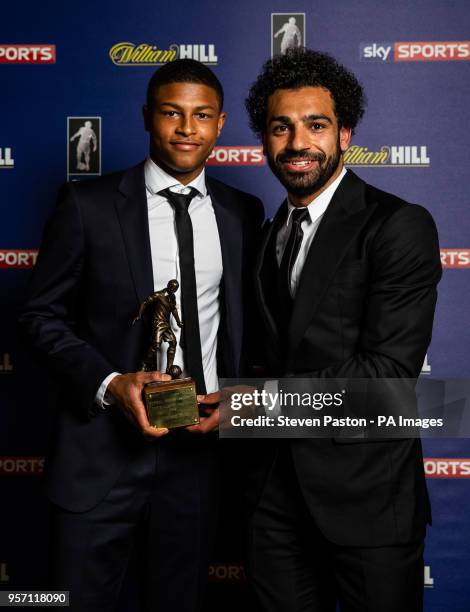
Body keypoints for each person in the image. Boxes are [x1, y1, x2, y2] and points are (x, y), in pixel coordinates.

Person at [18, 58, 263, 611]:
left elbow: (249, 326)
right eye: (171, 113)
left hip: (198, 460)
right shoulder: (88, 205)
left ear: (220, 124)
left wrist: (238, 400)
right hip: (99, 454)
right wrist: (108, 383)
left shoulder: (243, 213)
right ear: (146, 117)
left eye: (201, 116)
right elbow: (38, 316)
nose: (186, 128)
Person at [243, 48, 441, 611]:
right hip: (272, 499)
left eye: (316, 125)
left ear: (345, 134)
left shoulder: (397, 224)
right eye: (281, 127)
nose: (298, 142)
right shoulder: (267, 233)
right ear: (264, 139)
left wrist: (256, 403)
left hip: (367, 498)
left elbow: (387, 375)